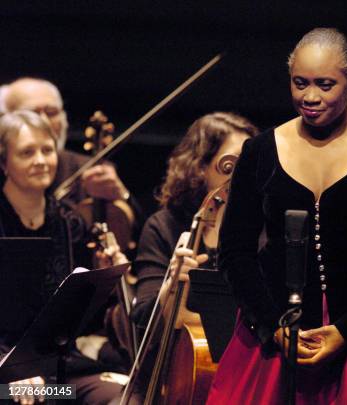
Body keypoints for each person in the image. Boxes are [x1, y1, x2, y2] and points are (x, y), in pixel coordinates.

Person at [206, 28, 347, 404]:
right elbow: (235, 251)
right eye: (300, 83)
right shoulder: (260, 151)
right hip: (276, 333)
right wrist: (273, 325)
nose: (310, 97)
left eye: (325, 84)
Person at [0, 110, 128, 404]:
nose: (41, 160)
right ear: (4, 162)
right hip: (5, 373)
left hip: (61, 368)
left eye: (47, 150)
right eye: (27, 153)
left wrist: (103, 278)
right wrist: (12, 369)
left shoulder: (70, 221)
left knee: (122, 395)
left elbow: (85, 317)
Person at [131, 112, 258, 338]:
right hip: (180, 362)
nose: (244, 173)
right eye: (231, 163)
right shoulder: (164, 227)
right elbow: (142, 318)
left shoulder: (261, 226)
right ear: (200, 167)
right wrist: (171, 285)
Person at [1, 77, 142, 241]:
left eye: (52, 113)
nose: (44, 121)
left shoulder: (91, 170)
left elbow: (139, 238)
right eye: (32, 114)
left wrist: (122, 194)